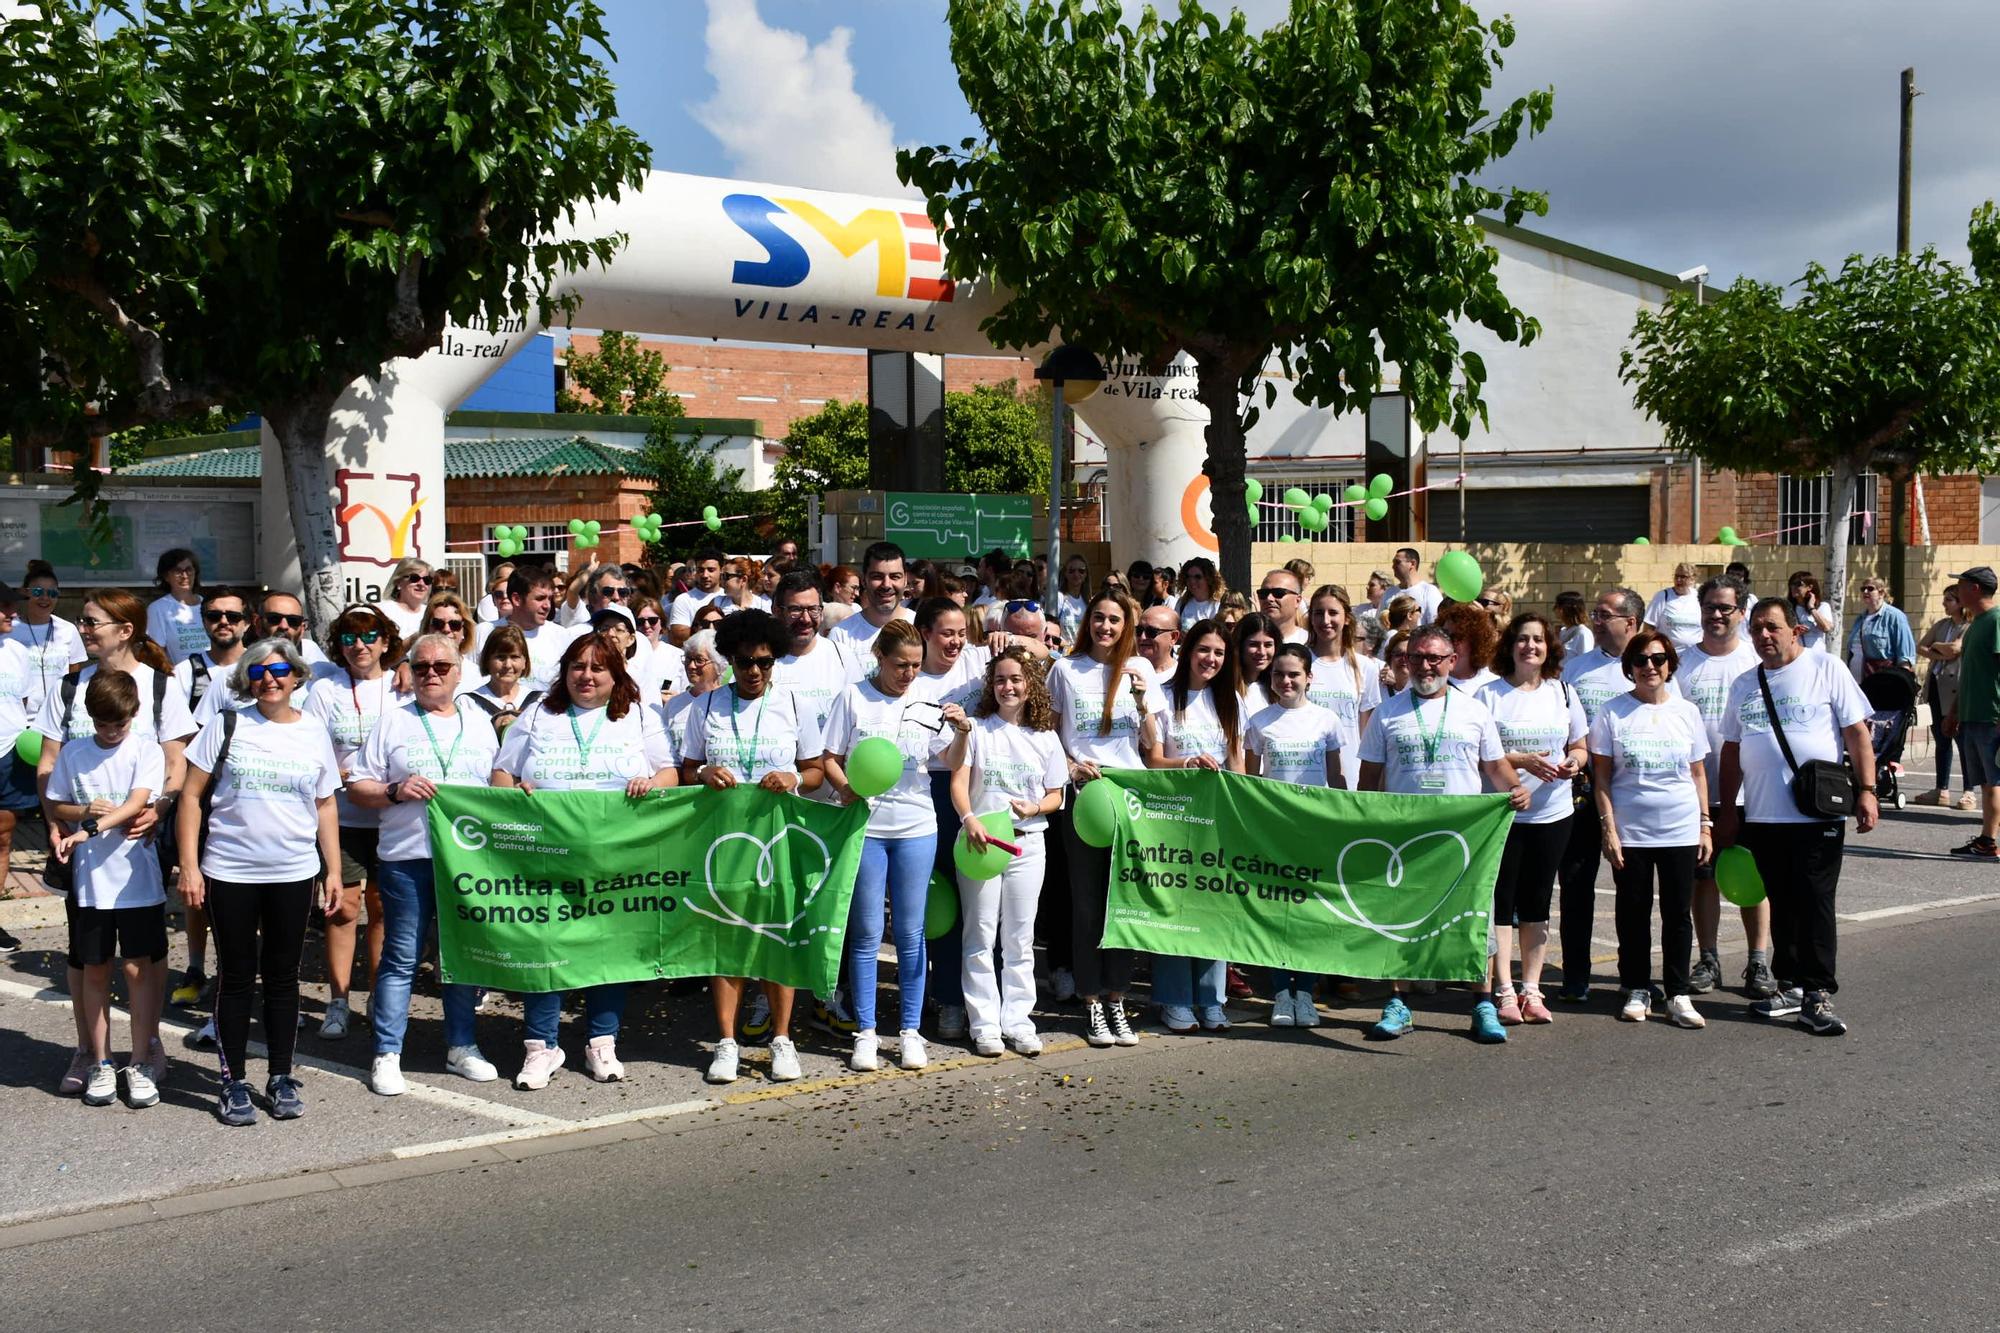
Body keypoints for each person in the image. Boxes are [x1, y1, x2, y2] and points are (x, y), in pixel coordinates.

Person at [491, 632, 677, 1088]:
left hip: (614, 859)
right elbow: (500, 772)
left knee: (605, 949)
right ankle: (541, 1046)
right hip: (545, 858)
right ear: (564, 672)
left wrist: (652, 786)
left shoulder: (637, 716)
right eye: (577, 666)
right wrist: (515, 793)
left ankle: (602, 1042)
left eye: (597, 667)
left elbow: (669, 772)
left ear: (616, 675)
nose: (586, 676)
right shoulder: (539, 713)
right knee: (545, 948)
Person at [176, 636, 343, 1125]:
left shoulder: (313, 730)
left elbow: (325, 802)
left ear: (297, 676)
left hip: (293, 871)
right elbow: (190, 798)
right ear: (246, 679)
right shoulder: (227, 724)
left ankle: (281, 1075)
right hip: (230, 870)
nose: (269, 679)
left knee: (283, 977)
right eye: (258, 672)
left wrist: (332, 869)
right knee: (236, 977)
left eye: (279, 670)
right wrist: (189, 865)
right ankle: (233, 1083)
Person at [34, 589, 195, 1092]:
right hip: (82, 845)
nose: (82, 629)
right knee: (88, 955)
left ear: (125, 629)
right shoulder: (68, 686)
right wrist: (68, 821)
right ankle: (89, 1052)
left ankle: (148, 1047)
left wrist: (158, 809)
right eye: (82, 621)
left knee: (141, 954)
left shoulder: (161, 686)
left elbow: (175, 765)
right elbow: (47, 766)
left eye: (91, 622)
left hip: (141, 841)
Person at [349, 633, 504, 1094]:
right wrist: (395, 790)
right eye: (421, 668)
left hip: (468, 863)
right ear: (410, 673)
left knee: (461, 960)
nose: (431, 674)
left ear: (459, 672)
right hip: (407, 857)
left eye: (440, 667)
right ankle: (387, 1053)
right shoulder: (392, 723)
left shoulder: (479, 722)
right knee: (401, 957)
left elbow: (501, 786)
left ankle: (461, 1047)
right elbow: (359, 786)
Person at [1356, 624, 1528, 1043]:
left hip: (1465, 841)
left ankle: (1482, 1003)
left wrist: (1516, 788)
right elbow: (1368, 781)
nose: (1425, 665)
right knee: (1400, 923)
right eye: (1417, 657)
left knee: (1473, 922)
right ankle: (1399, 1003)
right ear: (1405, 661)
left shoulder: (1474, 711)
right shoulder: (1388, 712)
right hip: (1405, 842)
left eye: (1435, 658)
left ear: (1452, 662)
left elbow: (1494, 767)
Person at [1717, 599, 1878, 1036]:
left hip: (1816, 814)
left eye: (1772, 627)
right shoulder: (1744, 684)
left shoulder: (1826, 669)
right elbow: (1731, 750)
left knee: (1815, 901)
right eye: (1756, 630)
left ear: (1796, 630)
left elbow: (1856, 733)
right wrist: (1729, 809)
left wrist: (1867, 791)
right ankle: (1788, 985)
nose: (1763, 636)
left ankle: (1818, 992)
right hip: (1764, 815)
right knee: (1782, 899)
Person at [680, 610, 825, 1084]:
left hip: (777, 841)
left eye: (764, 661)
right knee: (727, 940)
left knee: (777, 937)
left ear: (775, 659)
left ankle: (782, 1040)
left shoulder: (793, 704)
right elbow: (687, 770)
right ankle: (727, 1044)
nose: (754, 671)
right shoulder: (705, 707)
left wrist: (794, 777)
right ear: (730, 660)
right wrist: (703, 774)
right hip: (722, 841)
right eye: (745, 662)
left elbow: (817, 770)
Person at [823, 620, 967, 1071]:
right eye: (900, 665)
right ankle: (865, 1032)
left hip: (917, 825)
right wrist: (845, 787)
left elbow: (950, 761)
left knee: (910, 932)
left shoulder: (928, 700)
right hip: (866, 828)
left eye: (916, 666)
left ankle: (909, 1030)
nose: (908, 674)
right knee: (866, 933)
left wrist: (963, 732)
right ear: (879, 658)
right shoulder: (853, 697)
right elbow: (829, 757)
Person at [1048, 589, 1166, 1048]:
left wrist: (1140, 701)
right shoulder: (1065, 669)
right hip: (1084, 795)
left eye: (1115, 620)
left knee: (1126, 902)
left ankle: (1118, 997)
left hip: (1131, 796)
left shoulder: (1142, 669)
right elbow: (1050, 732)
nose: (1106, 627)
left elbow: (1152, 745)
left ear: (1127, 626)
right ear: (1087, 622)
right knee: (1087, 904)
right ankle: (1092, 1001)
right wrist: (1071, 767)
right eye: (1098, 618)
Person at [46, 671, 168, 1108]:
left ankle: (139, 1061)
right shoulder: (74, 752)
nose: (110, 732)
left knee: (138, 969)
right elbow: (55, 802)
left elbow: (138, 802)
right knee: (94, 970)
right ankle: (100, 1061)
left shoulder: (145, 750)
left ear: (134, 714)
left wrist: (90, 828)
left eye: (117, 724)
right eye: (101, 724)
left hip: (138, 883)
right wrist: (80, 811)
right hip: (92, 885)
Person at [1589, 629, 1712, 1028]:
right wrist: (1608, 828)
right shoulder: (1611, 712)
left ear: (1670, 664)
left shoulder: (1687, 713)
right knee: (1633, 911)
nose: (1649, 667)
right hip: (1632, 831)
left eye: (1658, 659)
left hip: (1679, 828)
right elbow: (1602, 779)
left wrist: (1705, 825)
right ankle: (1637, 986)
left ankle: (1677, 993)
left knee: (1678, 914)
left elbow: (1697, 775)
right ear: (1629, 668)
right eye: (1640, 661)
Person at [951, 647, 1066, 1054]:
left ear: (1030, 684)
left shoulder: (1046, 737)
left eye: (1016, 679)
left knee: (1019, 937)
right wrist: (970, 819)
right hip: (980, 843)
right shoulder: (977, 729)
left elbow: (1055, 795)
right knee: (979, 935)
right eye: (1000, 679)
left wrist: (1034, 807)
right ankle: (983, 1024)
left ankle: (1017, 1020)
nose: (1007, 686)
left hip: (1027, 844)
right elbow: (958, 782)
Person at [1476, 613, 1587, 1025]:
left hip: (1554, 814)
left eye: (1538, 640)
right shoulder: (1489, 695)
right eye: (1522, 639)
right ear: (1510, 646)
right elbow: (1476, 753)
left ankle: (1532, 989)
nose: (1530, 647)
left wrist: (1574, 762)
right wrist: (1518, 760)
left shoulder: (1562, 692)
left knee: (1538, 902)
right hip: (1502, 814)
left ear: (1549, 648)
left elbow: (1579, 745)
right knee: (1502, 904)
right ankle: (1504, 990)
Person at [303, 605, 402, 1040]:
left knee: (382, 908)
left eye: (368, 637)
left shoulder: (403, 686)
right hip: (341, 817)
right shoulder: (325, 691)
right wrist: (346, 776)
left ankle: (379, 996)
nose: (358, 646)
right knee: (342, 909)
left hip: (392, 817)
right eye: (348, 639)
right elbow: (310, 747)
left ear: (385, 642)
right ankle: (338, 1000)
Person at [1674, 574, 1775, 999]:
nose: (1716, 615)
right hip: (1697, 793)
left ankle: (1757, 962)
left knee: (1755, 879)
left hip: (1753, 794)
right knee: (1704, 879)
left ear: (1741, 611)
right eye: (1710, 607)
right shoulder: (1679, 663)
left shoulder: (1757, 661)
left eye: (1725, 608)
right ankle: (1709, 958)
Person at [1140, 618, 1241, 1032]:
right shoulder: (1161, 698)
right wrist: (1188, 763)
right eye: (1204, 650)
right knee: (1174, 909)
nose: (1211, 659)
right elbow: (1152, 761)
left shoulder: (1232, 701)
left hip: (1216, 823)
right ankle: (1174, 998)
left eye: (1219, 653)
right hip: (1173, 819)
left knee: (1213, 907)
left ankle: (1211, 998)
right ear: (1186, 651)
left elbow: (1239, 766)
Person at [1244, 644, 1345, 1028]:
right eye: (1278, 675)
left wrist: (1338, 821)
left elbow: (1336, 779)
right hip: (1274, 834)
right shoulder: (1259, 721)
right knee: (1277, 914)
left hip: (1315, 832)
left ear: (1308, 677)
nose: (1285, 681)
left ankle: (1305, 992)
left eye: (1293, 675)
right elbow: (1252, 781)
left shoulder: (1326, 720)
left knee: (1309, 915)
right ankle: (1280, 994)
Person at [1552, 587, 1644, 1003]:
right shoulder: (1576, 668)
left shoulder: (1649, 665)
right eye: (1595, 612)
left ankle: (1634, 978)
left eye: (1605, 614)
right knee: (1575, 885)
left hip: (1633, 793)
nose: (1595, 619)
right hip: (1584, 791)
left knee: (1634, 890)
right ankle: (1575, 974)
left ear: (1631, 621)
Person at [165, 589, 249, 1006]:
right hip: (205, 795)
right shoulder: (189, 671)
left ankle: (244, 976)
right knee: (196, 890)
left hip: (253, 799)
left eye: (232, 615)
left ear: (247, 623)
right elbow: (186, 738)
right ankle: (196, 967)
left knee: (252, 896)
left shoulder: (265, 667)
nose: (223, 622)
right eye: (214, 615)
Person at [1303, 586, 1381, 787]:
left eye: (1333, 613)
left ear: (1346, 618)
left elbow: (1366, 735)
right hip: (1304, 773)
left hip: (1349, 773)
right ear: (1311, 618)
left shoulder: (1365, 667)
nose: (1325, 620)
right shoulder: (1298, 662)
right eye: (1318, 613)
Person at [1949, 566, 2000, 859]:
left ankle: (1988, 840)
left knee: (1995, 780)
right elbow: (1968, 675)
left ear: (1976, 588)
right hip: (1971, 715)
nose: (1957, 591)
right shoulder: (1975, 624)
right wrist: (1954, 713)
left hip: (1990, 716)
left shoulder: (1995, 621)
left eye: (1962, 585)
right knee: (1986, 781)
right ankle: (1986, 840)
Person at [0, 585, 39, 957]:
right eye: (4, 606)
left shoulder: (18, 652)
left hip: (10, 755)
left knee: (4, 837)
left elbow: (25, 704)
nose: (12, 611)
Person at [11, 560, 87, 719]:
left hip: (59, 717)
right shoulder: (10, 630)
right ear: (25, 592)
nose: (45, 598)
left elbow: (74, 675)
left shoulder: (67, 630)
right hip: (20, 719)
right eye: (38, 592)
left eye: (52, 593)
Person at [1917, 586, 1969, 808]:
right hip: (1936, 687)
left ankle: (1969, 791)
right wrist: (1939, 650)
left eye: (1949, 600)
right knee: (1941, 738)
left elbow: (1955, 650)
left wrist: (1936, 648)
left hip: (1956, 690)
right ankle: (1942, 789)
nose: (1944, 604)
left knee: (1963, 741)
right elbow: (1920, 645)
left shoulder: (1969, 627)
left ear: (1960, 603)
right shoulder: (1942, 625)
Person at [826, 541, 913, 660]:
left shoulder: (920, 626)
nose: (886, 585)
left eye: (895, 577)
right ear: (864, 581)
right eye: (877, 576)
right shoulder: (841, 635)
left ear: (905, 580)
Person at [461, 624, 542, 738]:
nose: (508, 665)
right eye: (501, 657)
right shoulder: (468, 703)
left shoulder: (539, 702)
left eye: (514, 657)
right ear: (487, 661)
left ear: (525, 662)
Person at [144, 548, 209, 665]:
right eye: (177, 571)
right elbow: (157, 652)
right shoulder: (158, 609)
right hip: (180, 679)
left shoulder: (209, 605)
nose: (184, 575)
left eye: (189, 570)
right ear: (166, 576)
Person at [1844, 576, 1916, 680]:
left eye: (1870, 589)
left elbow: (1905, 655)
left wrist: (1903, 681)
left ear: (1881, 593)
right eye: (1863, 589)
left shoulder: (1895, 617)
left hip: (1883, 681)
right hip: (1857, 680)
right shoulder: (1860, 619)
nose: (1865, 591)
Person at [667, 548, 729, 645]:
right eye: (700, 570)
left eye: (711, 570)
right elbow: (678, 636)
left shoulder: (728, 597)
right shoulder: (684, 599)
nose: (705, 575)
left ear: (721, 570)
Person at [1436, 601, 1501, 693]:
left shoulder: (1494, 686)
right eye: (1443, 634)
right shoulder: (1428, 682)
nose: (1446, 641)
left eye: (1455, 637)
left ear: (1475, 641)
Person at [1645, 562, 1704, 652]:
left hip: (1695, 654)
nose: (1678, 580)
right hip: (1670, 655)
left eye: (1683, 577)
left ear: (1692, 579)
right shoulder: (1663, 596)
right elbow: (1649, 627)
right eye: (1676, 576)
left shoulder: (1699, 597)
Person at [1234, 611, 1281, 714]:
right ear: (1240, 646)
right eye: (1253, 645)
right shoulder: (1226, 688)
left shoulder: (1279, 690)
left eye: (1268, 645)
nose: (1262, 652)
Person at [374, 558, 434, 637]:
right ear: (398, 582)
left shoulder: (432, 613)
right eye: (414, 578)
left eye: (427, 580)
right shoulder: (382, 611)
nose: (421, 584)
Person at [1386, 547, 1443, 625]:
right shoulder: (1389, 593)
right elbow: (1378, 625)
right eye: (1393, 563)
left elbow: (1435, 624)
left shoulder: (1429, 591)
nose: (1393, 566)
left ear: (1412, 564)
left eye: (1397, 562)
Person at [1785, 572, 1837, 652]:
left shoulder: (1822, 606)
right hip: (1796, 654)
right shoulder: (1788, 608)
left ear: (1809, 587)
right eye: (1791, 584)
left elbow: (1826, 627)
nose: (1793, 587)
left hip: (1817, 653)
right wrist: (1794, 630)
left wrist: (1811, 608)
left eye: (1798, 584)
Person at [1255, 568, 1308, 644]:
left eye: (1278, 593)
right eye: (1264, 593)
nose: (1269, 598)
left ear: (1297, 601)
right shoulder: (1245, 642)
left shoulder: (1311, 643)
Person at [1176, 557, 1223, 629]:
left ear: (1209, 579)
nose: (1192, 581)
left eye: (1198, 577)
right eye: (1188, 577)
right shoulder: (1182, 603)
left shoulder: (1219, 605)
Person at [1137, 603, 1181, 678]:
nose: (1142, 637)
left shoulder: (1182, 679)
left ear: (1173, 637)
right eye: (1139, 630)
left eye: (1151, 631)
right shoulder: (1125, 669)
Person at [1053, 557, 1090, 642]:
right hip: (1062, 653)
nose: (1076, 574)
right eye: (1071, 571)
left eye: (1081, 571)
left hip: (1082, 652)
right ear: (1065, 574)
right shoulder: (1059, 597)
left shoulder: (1087, 601)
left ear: (1086, 575)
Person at [1553, 591, 1591, 660]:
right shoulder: (1562, 631)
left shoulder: (1583, 633)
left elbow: (1585, 661)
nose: (1554, 609)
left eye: (1557, 606)